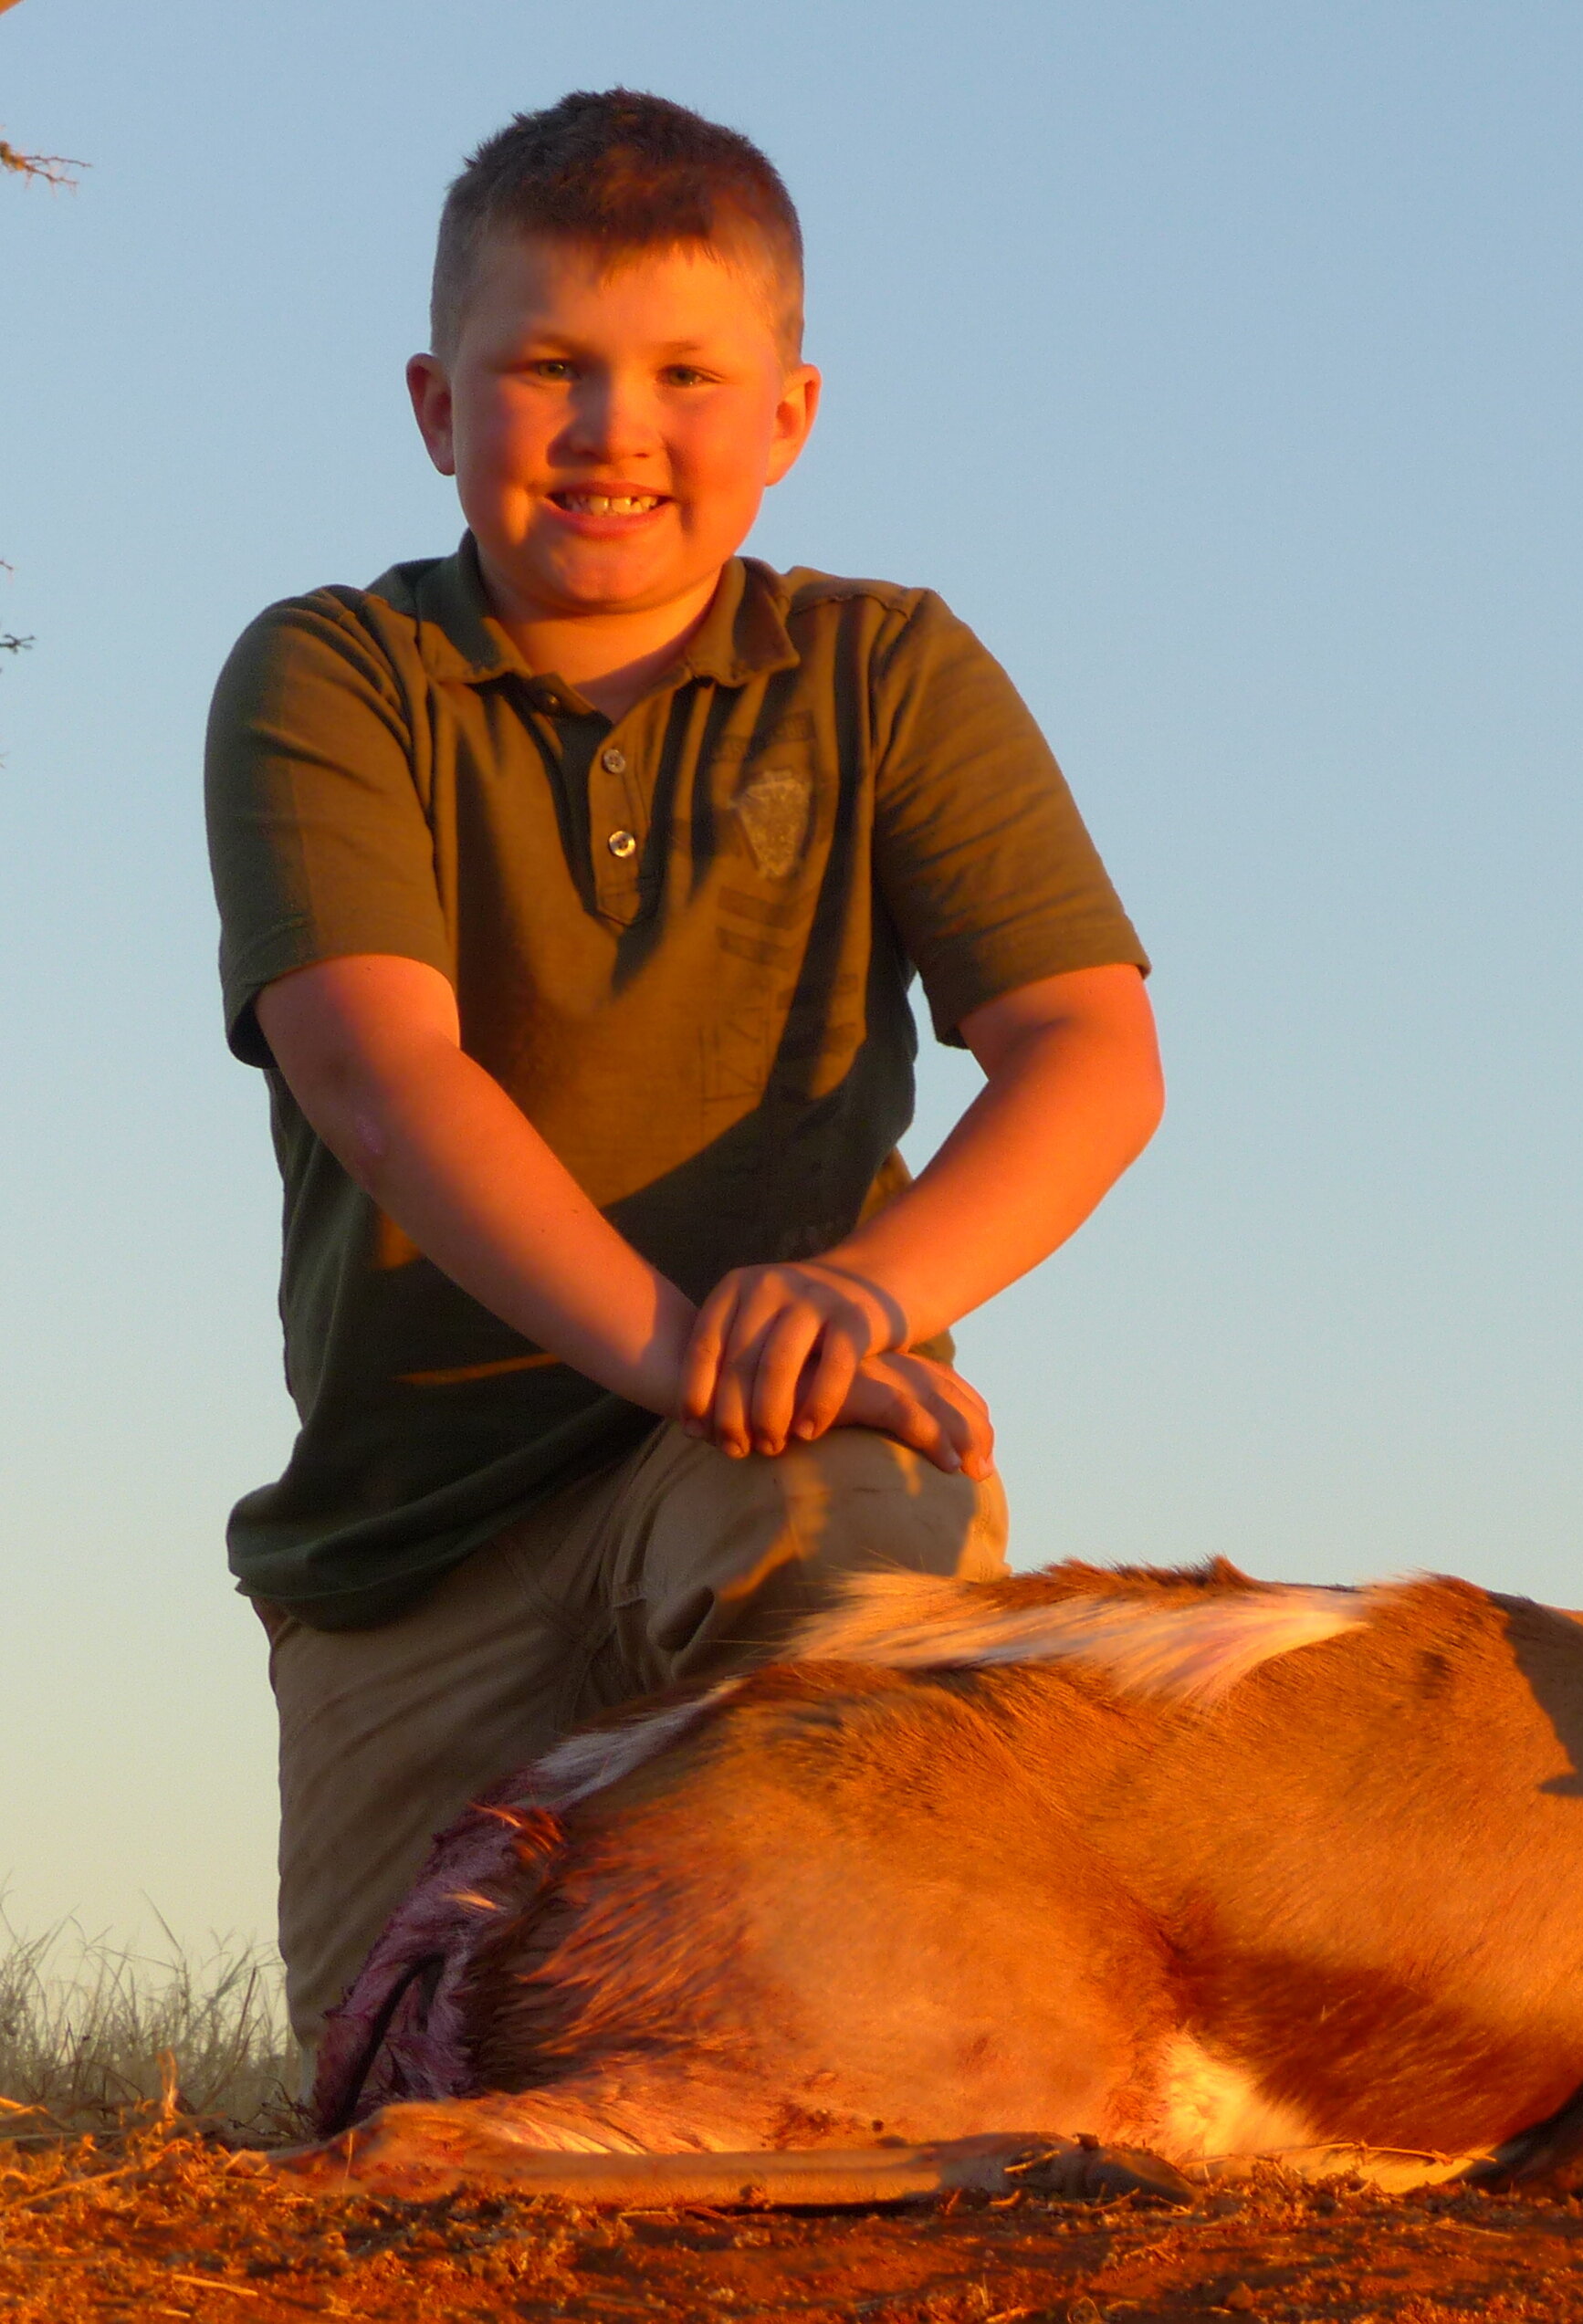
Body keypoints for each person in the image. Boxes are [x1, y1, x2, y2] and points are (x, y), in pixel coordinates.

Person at [202, 89, 1162, 2073]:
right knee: (405, 2097)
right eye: (547, 367)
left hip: (746, 1438)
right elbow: (384, 1077)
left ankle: (899, 2057)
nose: (614, 430)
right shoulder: (328, 675)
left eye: (684, 376)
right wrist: (660, 1339)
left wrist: (862, 1296)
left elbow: (1094, 1050)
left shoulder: (892, 671)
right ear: (433, 403)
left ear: (791, 414)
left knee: (857, 1491)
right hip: (414, 1539)